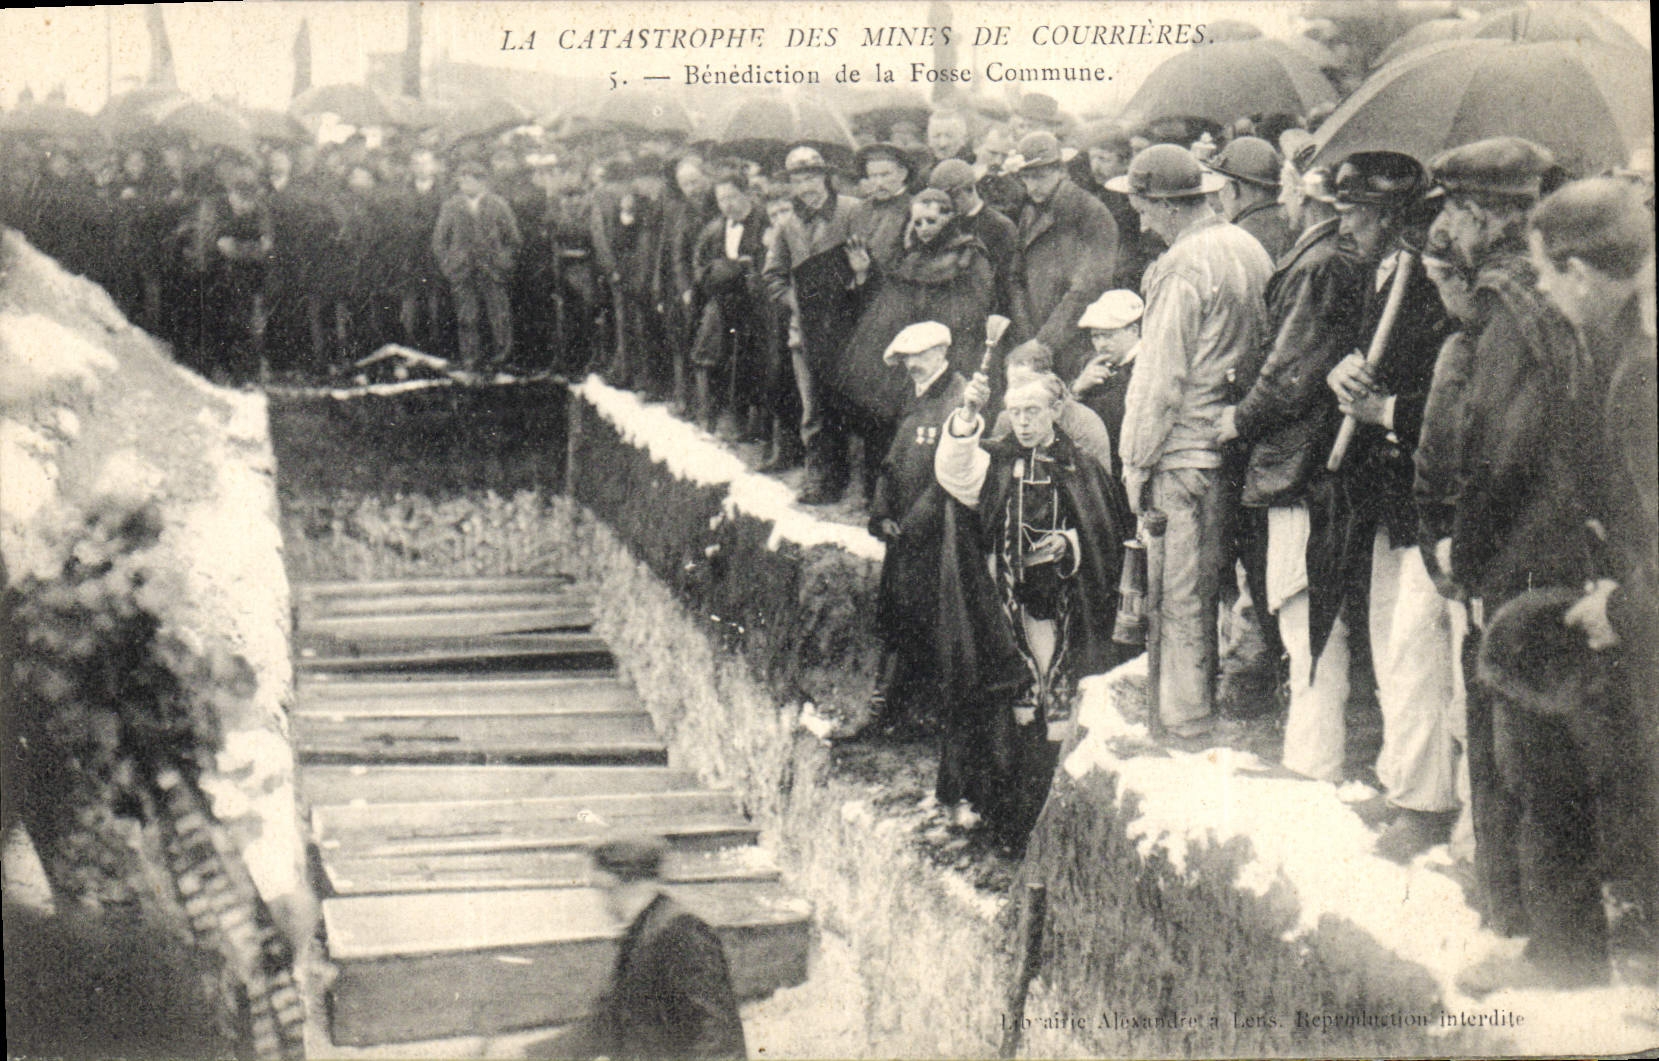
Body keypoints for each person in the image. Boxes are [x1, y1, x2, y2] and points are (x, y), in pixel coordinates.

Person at [1454, 170, 1656, 994]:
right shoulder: (1618, 338)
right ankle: (1571, 955)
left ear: (1577, 270)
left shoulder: (1643, 368)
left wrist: (1630, 605)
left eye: (1542, 270)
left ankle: (1598, 969)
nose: (1538, 286)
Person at [1109, 144, 1273, 737]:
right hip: (1232, 443)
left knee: (1179, 595)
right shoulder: (1245, 246)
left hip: (1183, 453)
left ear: (1163, 203)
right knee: (1221, 585)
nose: (1141, 220)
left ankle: (1183, 720)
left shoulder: (1181, 266)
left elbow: (1159, 379)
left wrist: (1135, 460)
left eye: (1143, 207)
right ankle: (1211, 703)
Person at [933, 368, 1131, 845]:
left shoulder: (1080, 468)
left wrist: (1068, 544)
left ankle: (1053, 819)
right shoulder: (996, 463)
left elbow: (1102, 534)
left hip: (1065, 604)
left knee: (1056, 704)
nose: (1022, 422)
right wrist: (966, 416)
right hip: (1006, 606)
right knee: (1013, 701)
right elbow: (954, 470)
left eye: (1033, 412)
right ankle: (1006, 818)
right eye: (1015, 412)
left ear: (1055, 411)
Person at [1217, 158, 1367, 778]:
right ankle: (1312, 749)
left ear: (1306, 194)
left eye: (1287, 184)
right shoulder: (1327, 255)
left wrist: (1240, 420)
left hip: (1300, 461)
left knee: (1304, 603)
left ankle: (1312, 758)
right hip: (1305, 456)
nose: (1282, 195)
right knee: (1304, 604)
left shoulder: (1321, 263)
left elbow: (1289, 371)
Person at [864, 322, 969, 737]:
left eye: (919, 356)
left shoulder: (956, 400)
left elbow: (948, 475)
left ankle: (917, 715)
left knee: (927, 620)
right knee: (897, 616)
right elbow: (891, 463)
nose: (911, 365)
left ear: (942, 351)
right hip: (903, 534)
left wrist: (913, 524)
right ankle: (888, 710)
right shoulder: (913, 397)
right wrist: (881, 513)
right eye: (906, 357)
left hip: (936, 533)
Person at [555, 836, 747, 1060]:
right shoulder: (641, 933)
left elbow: (717, 1036)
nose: (600, 901)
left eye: (599, 888)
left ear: (613, 883)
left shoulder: (680, 931)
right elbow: (606, 1023)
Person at [835, 189, 994, 431]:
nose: (924, 228)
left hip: (952, 349)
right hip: (911, 353)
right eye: (917, 222)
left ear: (949, 217)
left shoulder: (968, 254)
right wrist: (864, 273)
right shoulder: (910, 257)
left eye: (932, 221)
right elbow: (887, 303)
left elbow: (977, 306)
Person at [761, 145, 867, 505]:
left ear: (825, 177)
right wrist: (798, 304)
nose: (806, 185)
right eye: (797, 179)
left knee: (851, 404)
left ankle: (855, 483)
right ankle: (818, 477)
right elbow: (773, 276)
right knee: (813, 409)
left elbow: (868, 264)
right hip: (805, 334)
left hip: (847, 329)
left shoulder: (852, 211)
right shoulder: (788, 225)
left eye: (811, 176)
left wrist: (854, 283)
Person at [1006, 131, 1120, 413]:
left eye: (1040, 176)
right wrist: (1028, 337)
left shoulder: (1091, 213)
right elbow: (1016, 278)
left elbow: (1089, 287)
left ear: (1061, 170)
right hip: (1033, 342)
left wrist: (1045, 341)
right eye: (1026, 177)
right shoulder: (1030, 212)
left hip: (1074, 345)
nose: (1032, 185)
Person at [688, 168, 769, 436]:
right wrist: (725, 271)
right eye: (721, 199)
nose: (727, 205)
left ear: (746, 193)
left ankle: (752, 425)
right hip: (722, 303)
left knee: (751, 363)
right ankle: (713, 417)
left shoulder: (764, 222)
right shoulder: (714, 229)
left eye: (733, 197)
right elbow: (700, 268)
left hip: (755, 305)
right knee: (711, 354)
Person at [432, 159, 522, 370]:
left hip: (491, 269)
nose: (465, 185)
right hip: (462, 270)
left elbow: (513, 239)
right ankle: (470, 357)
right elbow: (439, 240)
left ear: (482, 182)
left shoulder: (498, 205)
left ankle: (502, 357)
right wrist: (449, 264)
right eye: (462, 181)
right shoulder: (451, 205)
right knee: (467, 316)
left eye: (470, 180)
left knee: (498, 314)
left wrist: (503, 261)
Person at [926, 159, 1026, 336]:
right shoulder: (946, 224)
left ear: (971, 189)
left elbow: (1007, 281)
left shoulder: (1000, 226)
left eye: (953, 198)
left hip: (985, 320)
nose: (947, 207)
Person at [1071, 289, 1142, 478]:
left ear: (1133, 331)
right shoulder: (1089, 364)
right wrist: (1077, 388)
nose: (1101, 344)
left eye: (1108, 335)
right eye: (1096, 336)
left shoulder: (1147, 365)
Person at [1207, 136, 1294, 262]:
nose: (1220, 196)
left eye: (1221, 186)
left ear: (1232, 189)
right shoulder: (1295, 223)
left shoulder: (1233, 240)